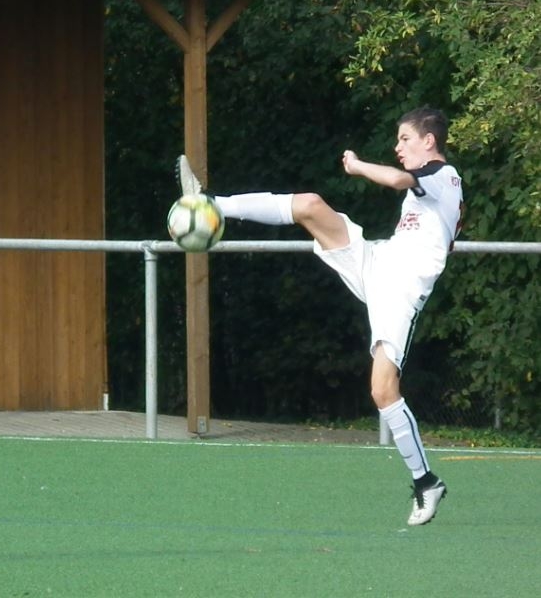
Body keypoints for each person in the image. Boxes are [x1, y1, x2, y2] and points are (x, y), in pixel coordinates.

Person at [177, 107, 462, 526]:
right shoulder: (431, 185)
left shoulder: (444, 175)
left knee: (383, 390)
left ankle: (426, 482)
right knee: (311, 205)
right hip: (377, 262)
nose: (398, 147)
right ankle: (211, 201)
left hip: (400, 292)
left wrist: (358, 166)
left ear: (429, 141)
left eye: (405, 139)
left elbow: (400, 180)